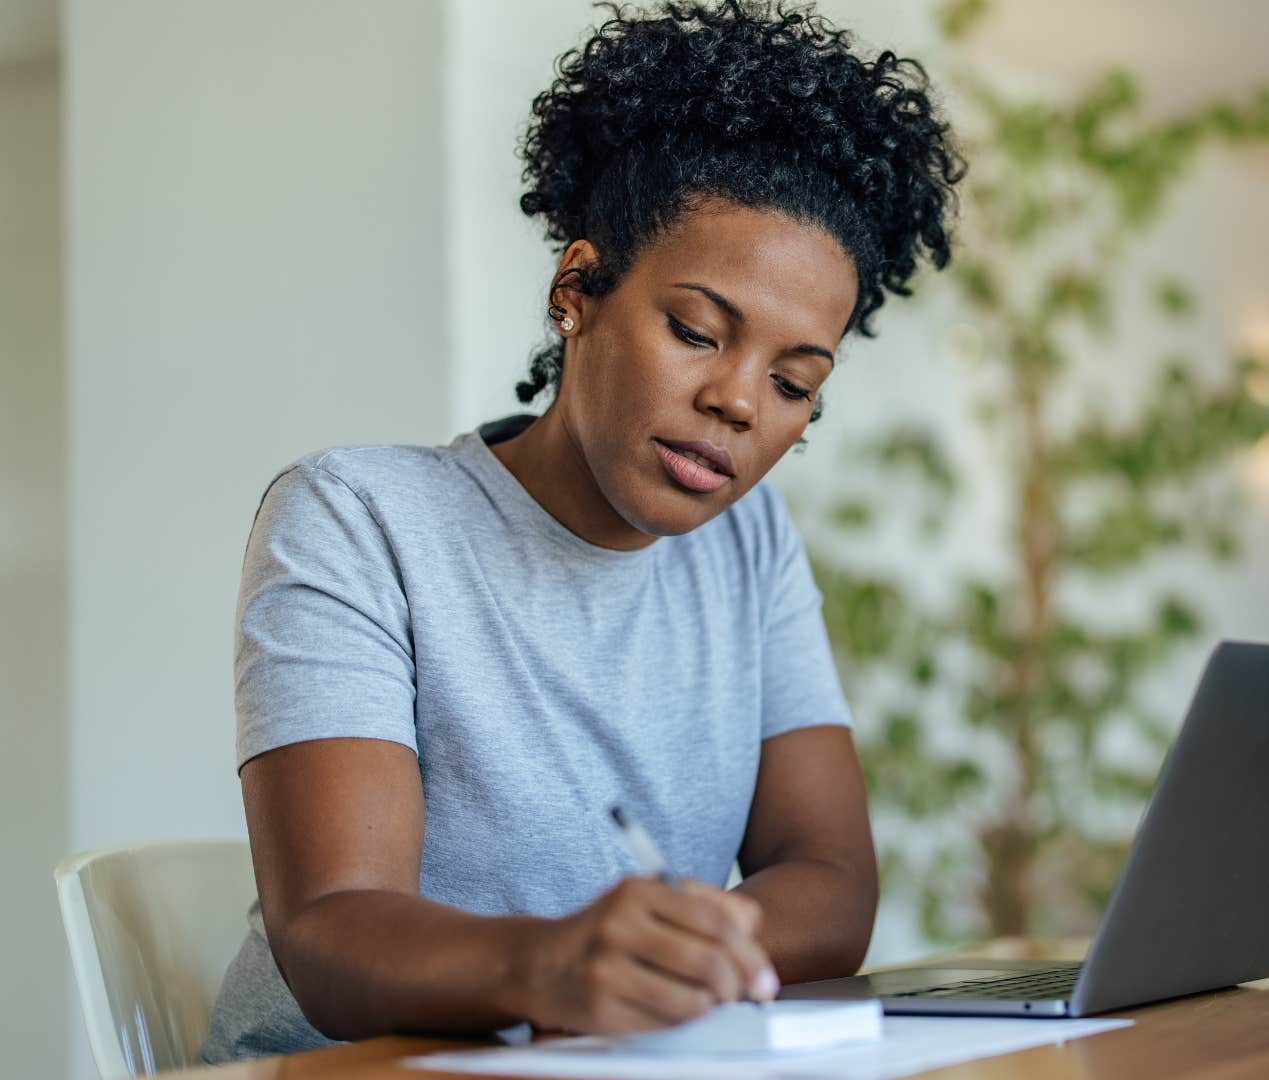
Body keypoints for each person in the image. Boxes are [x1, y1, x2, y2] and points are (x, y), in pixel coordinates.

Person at [200, 0, 961, 1061]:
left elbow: (831, 882)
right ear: (577, 291)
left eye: (796, 383)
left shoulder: (750, 549)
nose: (741, 403)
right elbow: (331, 928)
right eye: (698, 331)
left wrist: (681, 955)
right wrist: (557, 963)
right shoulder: (358, 518)